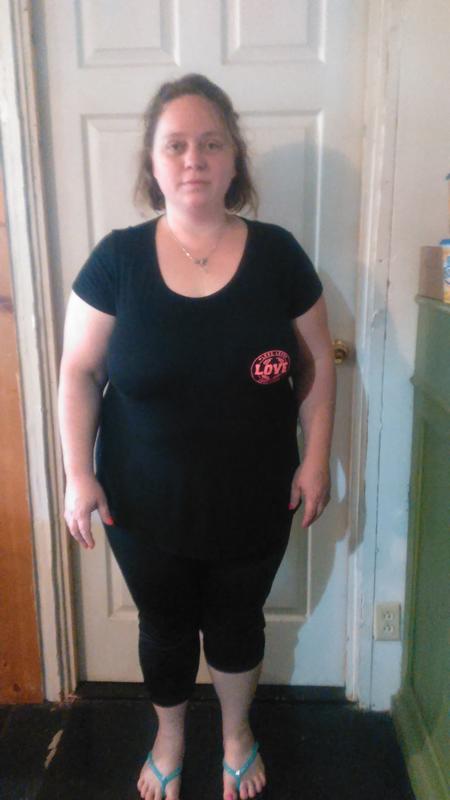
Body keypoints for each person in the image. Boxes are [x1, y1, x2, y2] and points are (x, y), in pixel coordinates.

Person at [58, 73, 336, 800]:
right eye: (175, 145)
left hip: (257, 495)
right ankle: (171, 736)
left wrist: (316, 459)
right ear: (152, 163)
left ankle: (238, 734)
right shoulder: (116, 260)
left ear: (234, 158)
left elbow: (315, 363)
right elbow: (79, 372)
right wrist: (77, 474)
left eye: (211, 143)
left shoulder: (279, 255)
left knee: (238, 623)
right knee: (164, 626)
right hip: (141, 503)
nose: (193, 159)